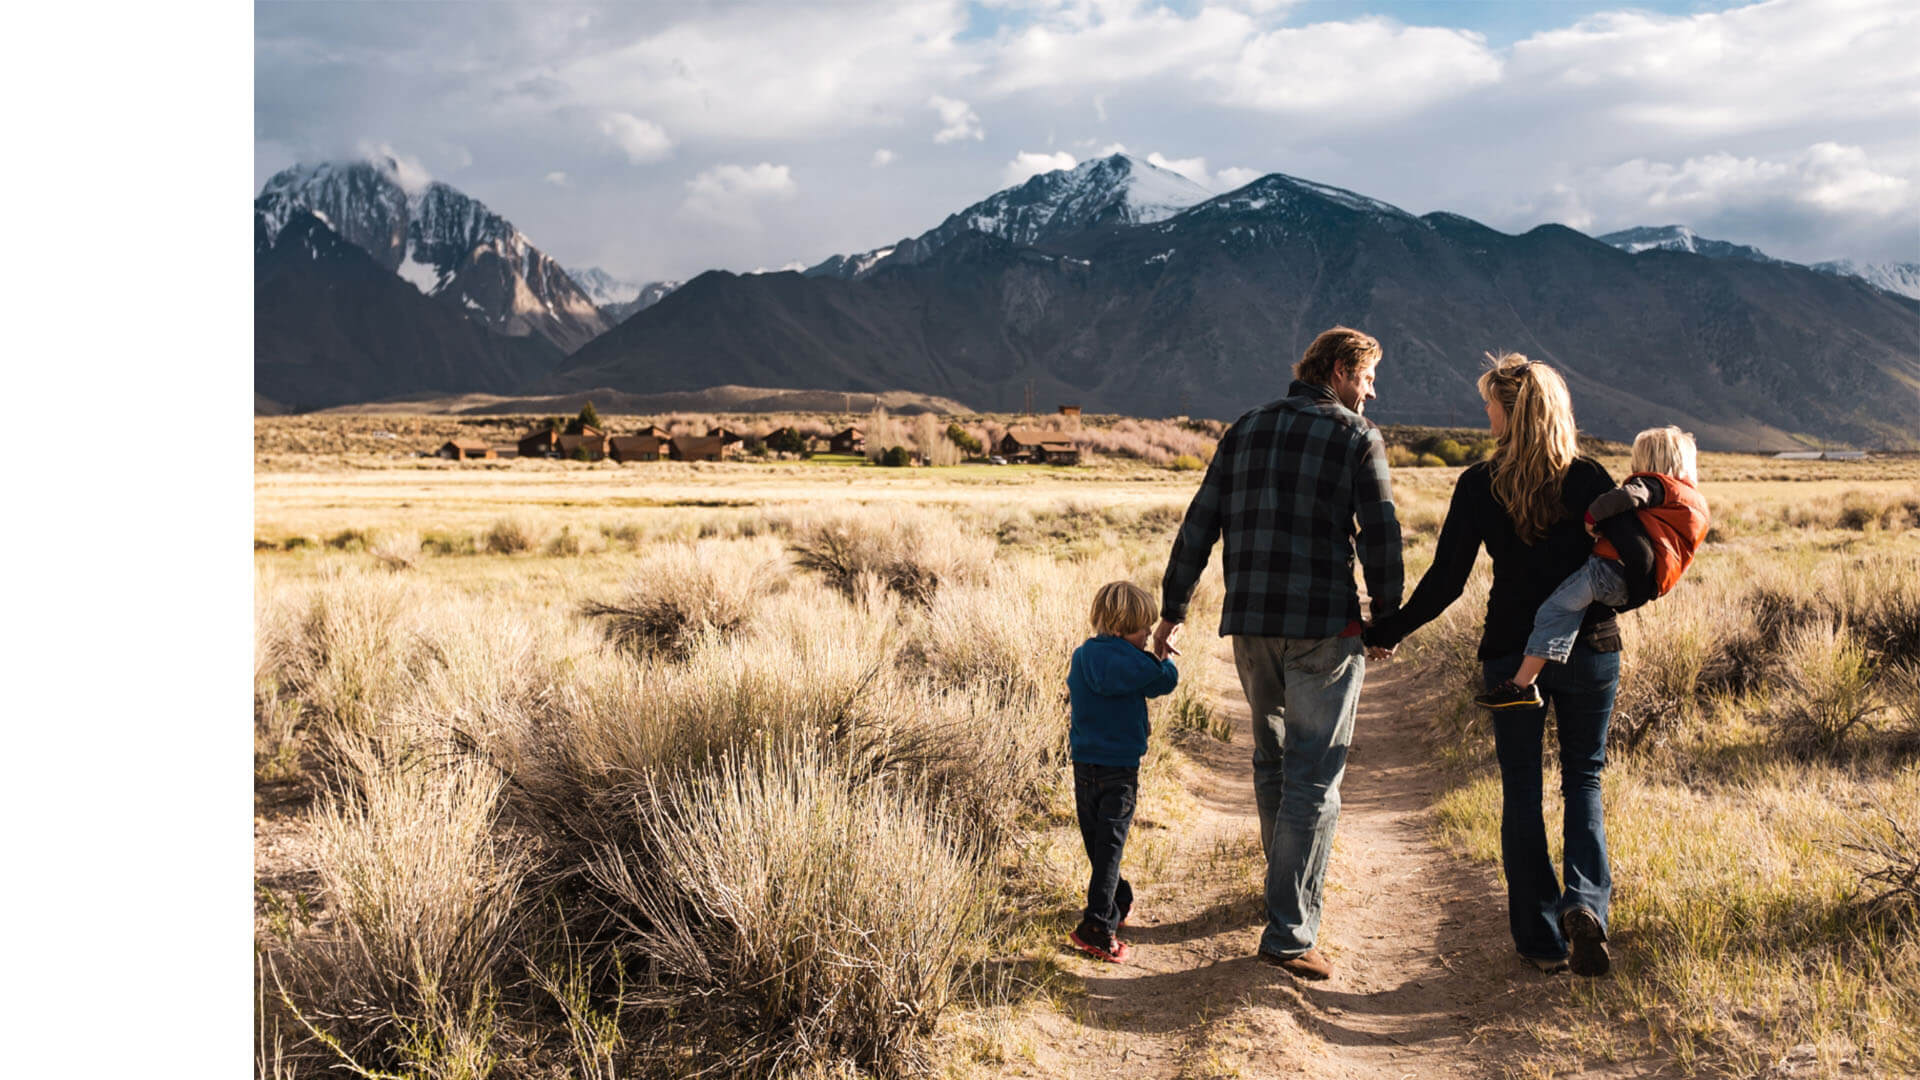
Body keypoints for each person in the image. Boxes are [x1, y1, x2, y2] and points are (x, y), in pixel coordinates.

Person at [1364, 353, 1654, 978]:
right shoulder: (1589, 480)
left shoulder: (1477, 484)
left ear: (1512, 411)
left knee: (1521, 788)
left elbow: (1446, 582)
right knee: (1584, 781)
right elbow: (1631, 562)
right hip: (1591, 648)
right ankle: (1587, 905)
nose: (1485, 413)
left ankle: (1542, 941)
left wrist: (1387, 631)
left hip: (1508, 653)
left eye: (1491, 404)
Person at [1153, 326, 1403, 981]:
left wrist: (1173, 610)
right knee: (1313, 777)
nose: (1372, 392)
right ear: (1344, 370)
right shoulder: (1355, 436)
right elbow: (1380, 535)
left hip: (1252, 623)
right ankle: (1290, 932)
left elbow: (1198, 524)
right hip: (1323, 625)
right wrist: (1384, 620)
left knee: (1273, 762)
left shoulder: (1245, 429)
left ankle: (1283, 891)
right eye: (1369, 378)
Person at [1478, 425, 1709, 709]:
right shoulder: (1692, 501)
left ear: (1650, 461)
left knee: (1554, 609)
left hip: (1609, 571)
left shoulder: (1654, 486)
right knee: (1570, 610)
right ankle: (1543, 667)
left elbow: (1621, 498)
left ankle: (1522, 684)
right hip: (1637, 583)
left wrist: (1592, 516)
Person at [1066, 580, 1180, 964]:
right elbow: (1165, 682)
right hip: (1120, 771)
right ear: (1120, 626)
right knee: (1110, 847)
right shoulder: (1137, 662)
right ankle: (1097, 929)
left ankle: (1117, 899)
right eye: (1143, 629)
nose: (1149, 635)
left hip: (1083, 767)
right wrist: (1163, 656)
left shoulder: (1082, 655)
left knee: (1099, 843)